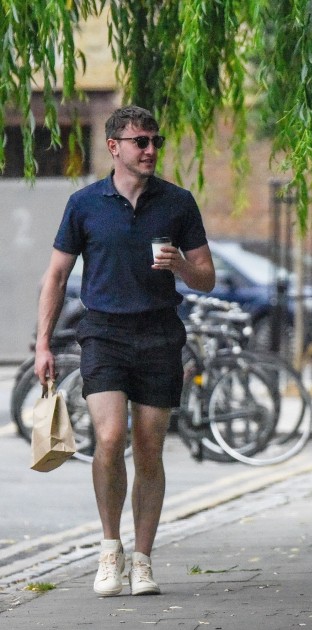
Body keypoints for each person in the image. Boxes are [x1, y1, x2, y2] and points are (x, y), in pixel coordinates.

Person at [34, 105, 215, 597]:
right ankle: (110, 549)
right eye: (141, 141)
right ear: (114, 147)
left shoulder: (177, 203)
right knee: (111, 437)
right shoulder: (84, 203)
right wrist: (44, 343)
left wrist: (180, 266)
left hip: (159, 334)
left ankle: (143, 560)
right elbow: (57, 275)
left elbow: (207, 277)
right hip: (103, 333)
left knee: (151, 448)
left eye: (155, 141)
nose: (151, 149)